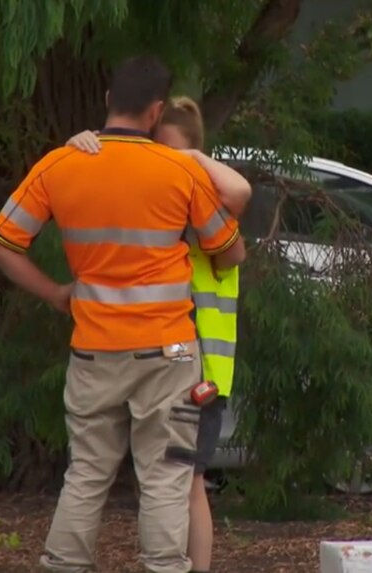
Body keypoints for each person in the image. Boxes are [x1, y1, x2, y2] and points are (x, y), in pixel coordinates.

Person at [0, 55, 246, 573]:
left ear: (107, 102)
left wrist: (57, 293)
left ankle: (63, 565)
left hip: (94, 351)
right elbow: (231, 251)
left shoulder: (59, 165)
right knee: (167, 476)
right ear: (155, 112)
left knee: (85, 475)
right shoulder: (177, 170)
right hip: (168, 355)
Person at [66, 96, 251, 573]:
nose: (157, 164)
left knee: (186, 480)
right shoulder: (159, 215)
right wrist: (81, 145)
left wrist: (192, 161)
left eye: (168, 153)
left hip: (201, 374)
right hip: (162, 366)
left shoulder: (208, 220)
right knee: (169, 479)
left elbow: (240, 190)